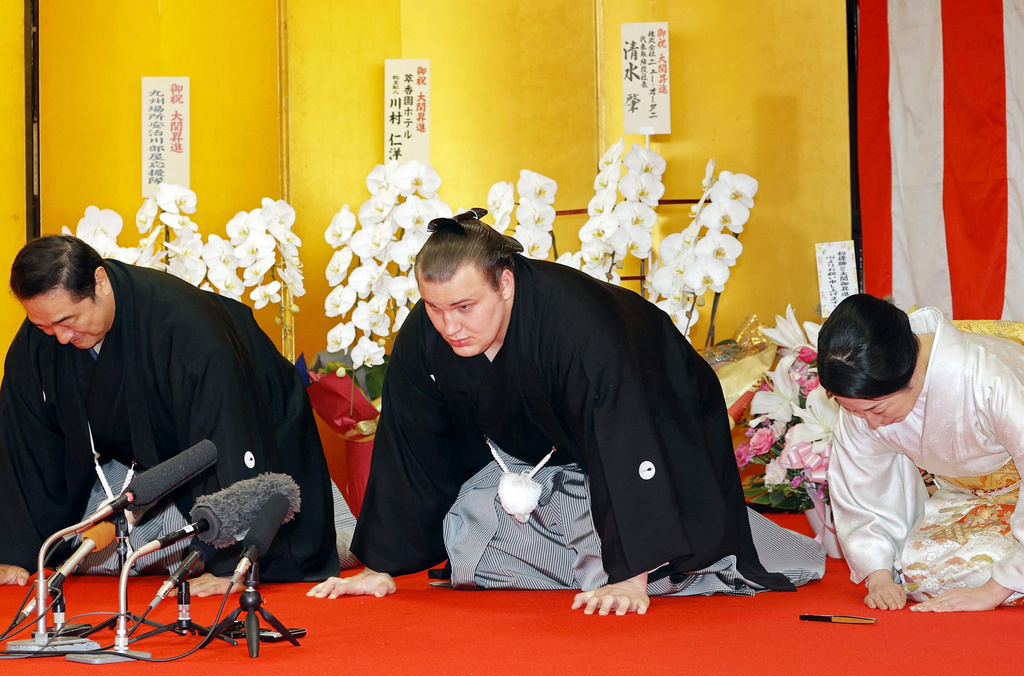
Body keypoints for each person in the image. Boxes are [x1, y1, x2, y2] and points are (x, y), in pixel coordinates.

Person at [308, 209, 824, 615]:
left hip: (656, 418)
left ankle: (671, 555)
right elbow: (410, 444)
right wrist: (383, 564)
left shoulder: (579, 327)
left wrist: (629, 575)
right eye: (434, 308)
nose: (448, 326)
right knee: (473, 539)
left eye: (464, 307)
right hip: (554, 466)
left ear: (505, 283)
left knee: (671, 566)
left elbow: (626, 436)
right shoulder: (431, 331)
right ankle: (600, 555)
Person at [0, 235, 342, 592]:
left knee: (263, 518)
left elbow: (226, 431)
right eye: (44, 327)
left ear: (99, 282)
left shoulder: (185, 323)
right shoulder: (41, 337)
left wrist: (231, 566)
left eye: (67, 321)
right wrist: (14, 550)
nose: (60, 338)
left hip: (254, 416)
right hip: (156, 456)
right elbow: (23, 443)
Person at [817, 293, 1024, 612]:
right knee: (922, 574)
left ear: (912, 375)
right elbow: (864, 484)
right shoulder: (866, 397)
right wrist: (880, 576)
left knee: (985, 576)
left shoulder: (987, 377)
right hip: (969, 497)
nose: (871, 424)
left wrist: (991, 592)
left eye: (877, 409)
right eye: (857, 412)